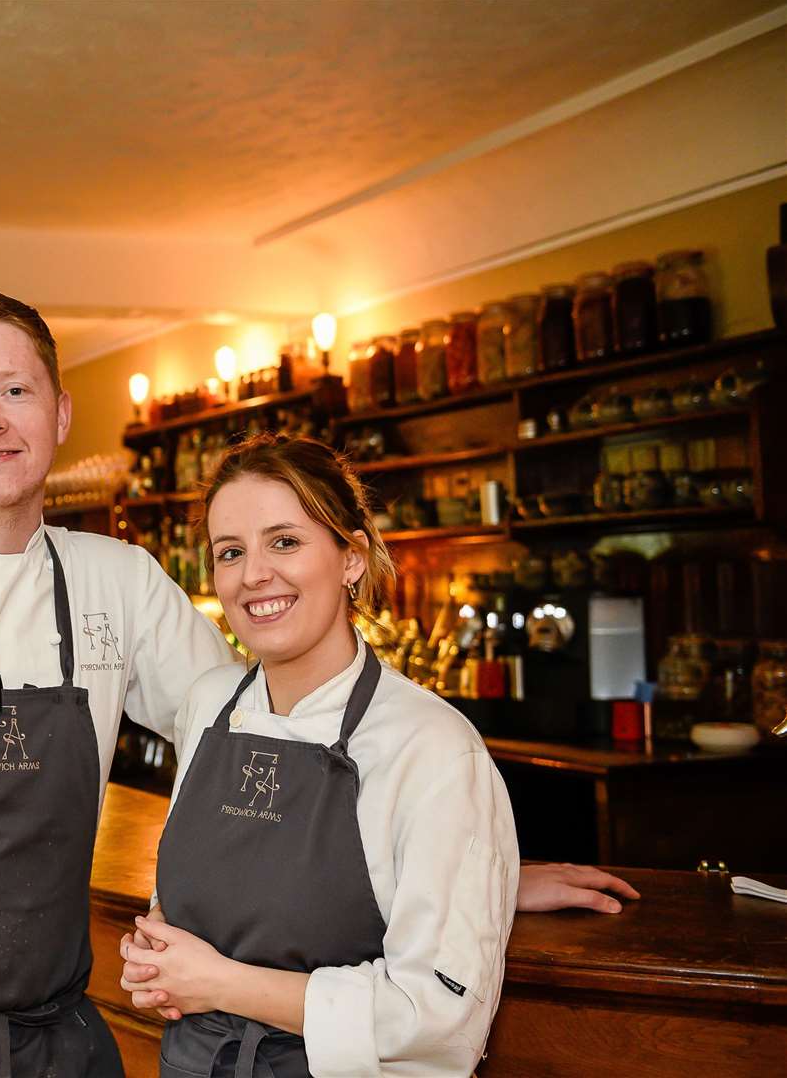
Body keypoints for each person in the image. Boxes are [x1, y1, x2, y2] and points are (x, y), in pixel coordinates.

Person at [0, 290, 637, 1078]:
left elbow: (273, 733)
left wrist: (467, 867)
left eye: (14, 390)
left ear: (59, 413)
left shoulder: (119, 582)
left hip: (55, 1044)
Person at [117, 434, 607, 1077]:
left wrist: (219, 984)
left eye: (285, 541)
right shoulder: (209, 706)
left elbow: (439, 1012)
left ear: (352, 557)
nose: (253, 574)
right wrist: (158, 955)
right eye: (229, 552)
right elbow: (203, 899)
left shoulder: (431, 746)